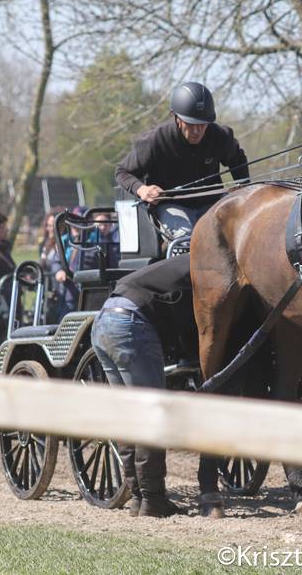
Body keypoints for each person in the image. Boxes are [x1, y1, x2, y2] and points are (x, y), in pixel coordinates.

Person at [90, 254, 191, 517]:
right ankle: (153, 498)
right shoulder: (203, 265)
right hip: (131, 324)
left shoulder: (172, 266)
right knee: (150, 413)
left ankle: (138, 497)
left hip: (102, 322)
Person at [115, 81, 250, 240]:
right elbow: (122, 172)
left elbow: (238, 161)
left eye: (202, 124)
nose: (197, 131)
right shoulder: (155, 140)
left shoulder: (220, 136)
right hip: (171, 205)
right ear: (176, 117)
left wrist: (243, 187)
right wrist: (142, 189)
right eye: (191, 124)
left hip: (211, 203)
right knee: (185, 238)